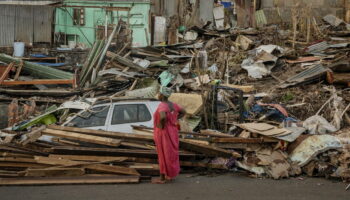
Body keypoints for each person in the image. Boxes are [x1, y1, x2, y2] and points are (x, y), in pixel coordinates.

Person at [152, 86, 186, 184]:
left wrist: (161, 124)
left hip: (164, 132)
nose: (158, 95)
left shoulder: (162, 105)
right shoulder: (173, 105)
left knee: (162, 154)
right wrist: (174, 119)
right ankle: (170, 174)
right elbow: (183, 112)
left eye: (159, 93)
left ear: (162, 95)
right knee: (171, 153)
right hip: (173, 131)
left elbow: (162, 116)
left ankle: (162, 178)